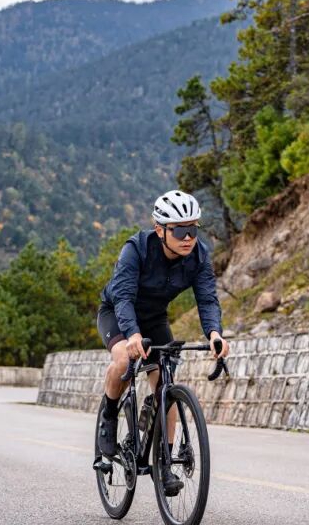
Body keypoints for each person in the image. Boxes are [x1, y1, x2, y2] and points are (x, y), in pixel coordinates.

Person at [94, 190, 229, 495]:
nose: (188, 237)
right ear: (160, 230)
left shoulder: (198, 255)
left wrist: (214, 334)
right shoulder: (136, 250)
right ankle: (110, 415)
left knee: (165, 386)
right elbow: (124, 298)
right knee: (124, 361)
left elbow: (207, 298)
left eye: (193, 229)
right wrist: (132, 335)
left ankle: (163, 464)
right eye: (180, 230)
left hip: (154, 318)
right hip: (118, 314)